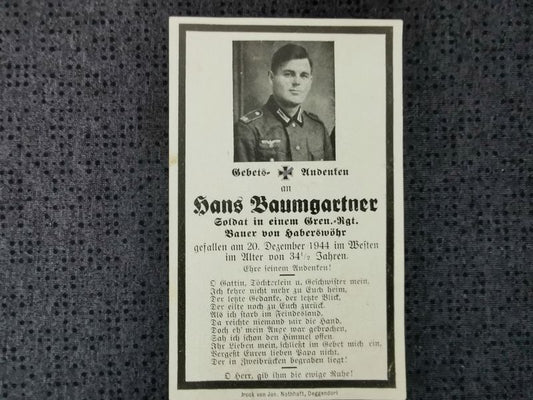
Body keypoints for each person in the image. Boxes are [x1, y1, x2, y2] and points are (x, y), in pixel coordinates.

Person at [234, 43, 334, 162]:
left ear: (310, 81)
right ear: (271, 78)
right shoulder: (249, 129)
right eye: (288, 74)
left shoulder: (318, 129)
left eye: (304, 75)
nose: (297, 82)